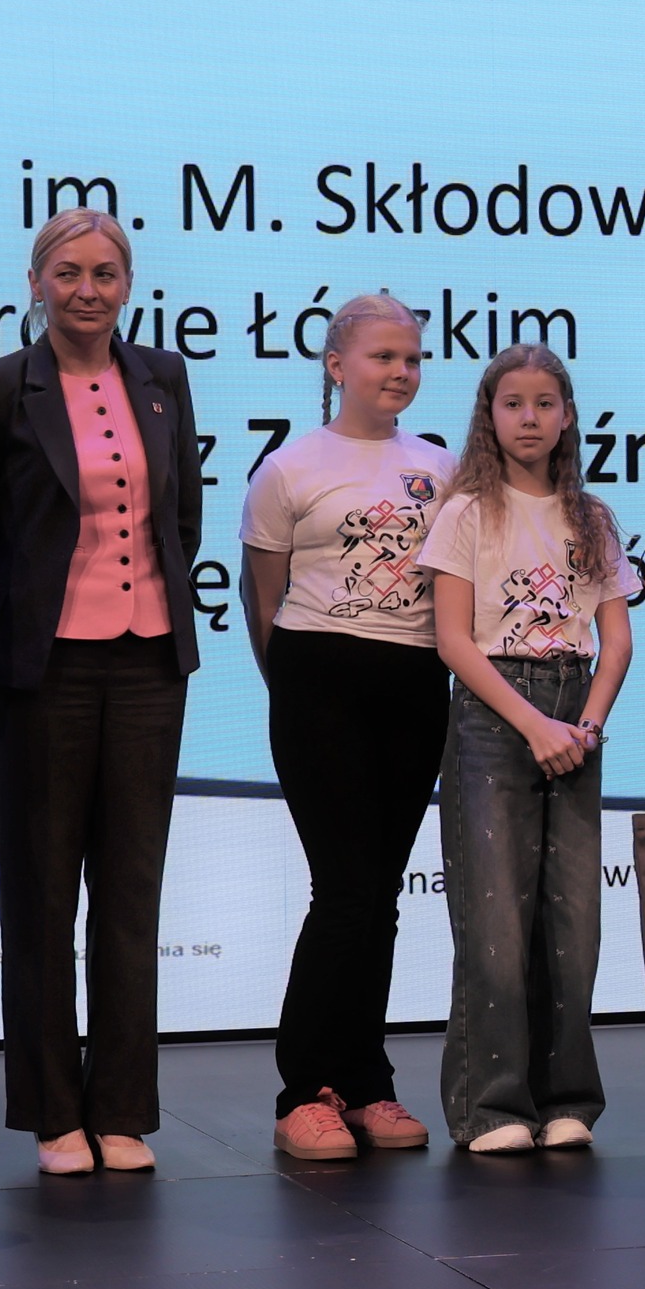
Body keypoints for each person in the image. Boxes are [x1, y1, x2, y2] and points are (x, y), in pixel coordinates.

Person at [0, 209, 203, 1175]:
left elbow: (183, 519)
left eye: (105, 273)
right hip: (43, 672)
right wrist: (1, 646)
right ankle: (55, 1113)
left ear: (128, 284)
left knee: (131, 894)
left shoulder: (164, 378)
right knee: (42, 897)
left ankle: (122, 1107)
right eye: (68, 272)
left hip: (148, 665)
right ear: (36, 282)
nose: (87, 290)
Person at [240, 293, 457, 1160]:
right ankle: (304, 1089)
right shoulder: (289, 469)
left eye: (412, 358)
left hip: (416, 683)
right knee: (345, 889)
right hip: (318, 683)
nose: (401, 371)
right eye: (383, 356)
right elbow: (264, 598)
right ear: (336, 365)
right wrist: (295, 691)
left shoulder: (441, 468)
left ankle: (366, 1082)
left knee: (382, 894)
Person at [418, 344, 637, 1153]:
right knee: (496, 922)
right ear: (490, 414)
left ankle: (567, 1096)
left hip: (576, 712)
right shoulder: (467, 512)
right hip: (494, 713)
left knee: (574, 921)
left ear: (568, 415)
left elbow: (616, 638)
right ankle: (492, 1105)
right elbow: (453, 638)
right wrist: (533, 724)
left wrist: (586, 724)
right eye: (513, 403)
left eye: (546, 403)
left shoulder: (593, 517)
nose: (530, 418)